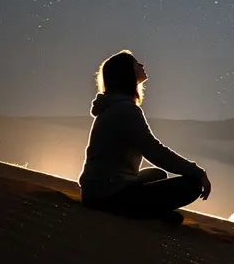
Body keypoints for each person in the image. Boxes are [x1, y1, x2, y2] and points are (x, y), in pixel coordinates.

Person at [78, 50, 212, 222]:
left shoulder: (114, 107)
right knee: (192, 185)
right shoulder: (126, 110)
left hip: (94, 191)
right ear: (126, 72)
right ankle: (141, 213)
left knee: (157, 174)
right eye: (136, 63)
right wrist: (196, 171)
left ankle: (151, 212)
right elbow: (154, 151)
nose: (141, 65)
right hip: (108, 196)